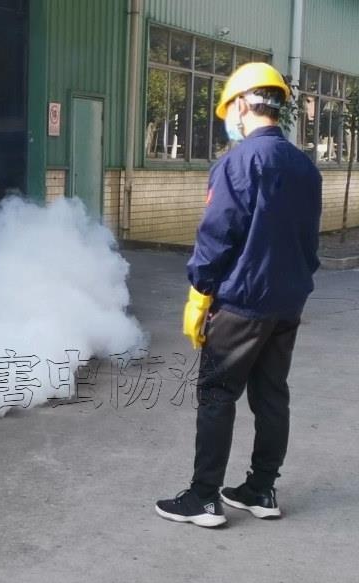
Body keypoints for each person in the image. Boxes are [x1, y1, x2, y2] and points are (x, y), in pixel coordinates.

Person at [155, 63, 322, 527]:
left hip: (243, 301)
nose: (230, 117)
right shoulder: (305, 167)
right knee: (271, 395)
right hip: (288, 301)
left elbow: (218, 234)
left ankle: (204, 498)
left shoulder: (239, 162)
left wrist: (199, 293)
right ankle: (260, 489)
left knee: (216, 393)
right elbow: (309, 241)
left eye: (230, 108)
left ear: (245, 104)